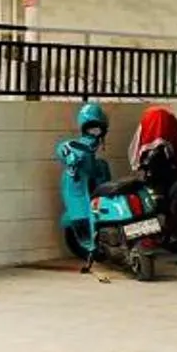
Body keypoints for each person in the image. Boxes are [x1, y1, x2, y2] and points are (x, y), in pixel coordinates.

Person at [56, 101, 113, 265]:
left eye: (98, 129)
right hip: (79, 183)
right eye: (91, 129)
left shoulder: (100, 164)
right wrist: (70, 158)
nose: (94, 134)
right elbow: (63, 148)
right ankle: (90, 243)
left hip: (92, 180)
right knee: (79, 212)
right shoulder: (75, 147)